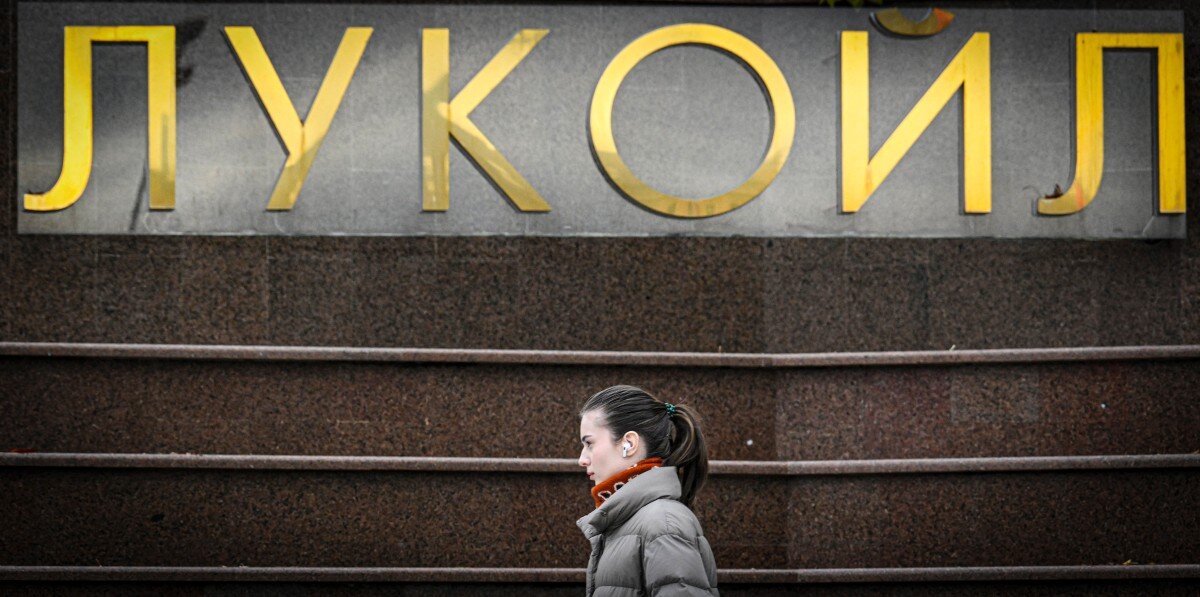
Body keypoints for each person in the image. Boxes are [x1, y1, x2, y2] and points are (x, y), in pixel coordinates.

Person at [576, 385, 718, 596]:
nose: (582, 459)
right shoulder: (629, 518)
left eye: (589, 444)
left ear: (629, 444)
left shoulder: (663, 524)